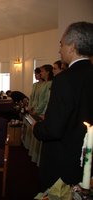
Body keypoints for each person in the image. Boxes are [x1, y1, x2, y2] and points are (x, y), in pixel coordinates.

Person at [33, 21, 93, 192]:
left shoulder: (64, 80)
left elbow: (53, 130)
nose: (59, 49)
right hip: (86, 158)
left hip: (63, 160)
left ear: (72, 47)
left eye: (61, 44)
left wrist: (37, 127)